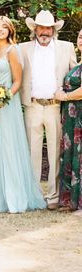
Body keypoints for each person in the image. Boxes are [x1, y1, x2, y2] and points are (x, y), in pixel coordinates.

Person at [18, 10, 77, 210]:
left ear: (53, 30)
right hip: (32, 105)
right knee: (32, 151)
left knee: (55, 151)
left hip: (55, 107)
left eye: (48, 28)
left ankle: (53, 197)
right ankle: (35, 195)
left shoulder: (66, 47)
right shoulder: (22, 48)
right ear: (34, 29)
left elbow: (76, 74)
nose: (44, 31)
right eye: (41, 27)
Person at [0, 16, 45, 213]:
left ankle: (13, 195)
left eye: (4, 27)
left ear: (10, 30)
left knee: (9, 145)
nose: (0, 29)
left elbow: (18, 81)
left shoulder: (13, 50)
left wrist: (4, 98)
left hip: (7, 103)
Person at [55, 28, 82, 215]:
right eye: (81, 36)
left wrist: (64, 96)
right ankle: (71, 199)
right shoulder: (77, 63)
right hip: (71, 118)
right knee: (72, 152)